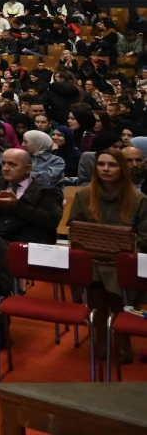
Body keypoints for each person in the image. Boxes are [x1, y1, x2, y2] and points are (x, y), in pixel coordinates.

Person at [0, 148, 62, 348]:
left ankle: (0, 323)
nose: (6, 168)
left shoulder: (47, 191)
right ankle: (12, 290)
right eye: (4, 163)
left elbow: (50, 221)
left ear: (28, 169)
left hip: (28, 245)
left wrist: (16, 206)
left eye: (12, 164)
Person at [69, 147, 147, 360]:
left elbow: (144, 235)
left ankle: (122, 338)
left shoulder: (139, 198)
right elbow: (74, 227)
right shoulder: (84, 195)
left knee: (116, 277)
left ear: (122, 169)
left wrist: (120, 245)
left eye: (112, 165)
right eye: (101, 164)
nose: (105, 169)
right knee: (94, 276)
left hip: (124, 259)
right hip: (92, 256)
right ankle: (101, 336)